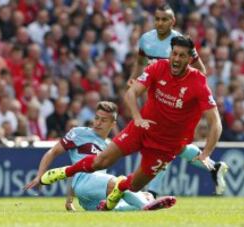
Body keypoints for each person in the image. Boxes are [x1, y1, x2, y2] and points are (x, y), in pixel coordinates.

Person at [40, 36, 222, 210]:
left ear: (190, 59)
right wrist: (137, 117)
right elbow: (131, 93)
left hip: (167, 145)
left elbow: (215, 122)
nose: (176, 58)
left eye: (182, 55)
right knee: (101, 161)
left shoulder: (198, 82)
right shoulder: (158, 67)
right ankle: (67, 171)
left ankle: (118, 190)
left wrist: (207, 153)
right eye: (174, 53)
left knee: (134, 186)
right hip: (141, 128)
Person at [130, 4, 227, 196]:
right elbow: (140, 62)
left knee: (162, 144)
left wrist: (183, 90)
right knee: (177, 147)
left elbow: (201, 71)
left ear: (172, 21)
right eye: (157, 19)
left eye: (164, 19)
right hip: (155, 98)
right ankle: (214, 167)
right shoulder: (145, 39)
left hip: (174, 100)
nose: (160, 23)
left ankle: (152, 192)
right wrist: (134, 78)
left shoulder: (181, 44)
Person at [24, 101, 176, 211]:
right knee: (121, 184)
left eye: (103, 120)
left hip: (90, 199)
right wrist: (40, 176)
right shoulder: (79, 133)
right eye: (96, 118)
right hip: (85, 182)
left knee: (129, 206)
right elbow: (53, 152)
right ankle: (146, 205)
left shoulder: (110, 145)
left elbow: (75, 168)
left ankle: (146, 200)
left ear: (113, 123)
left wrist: (70, 200)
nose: (97, 123)